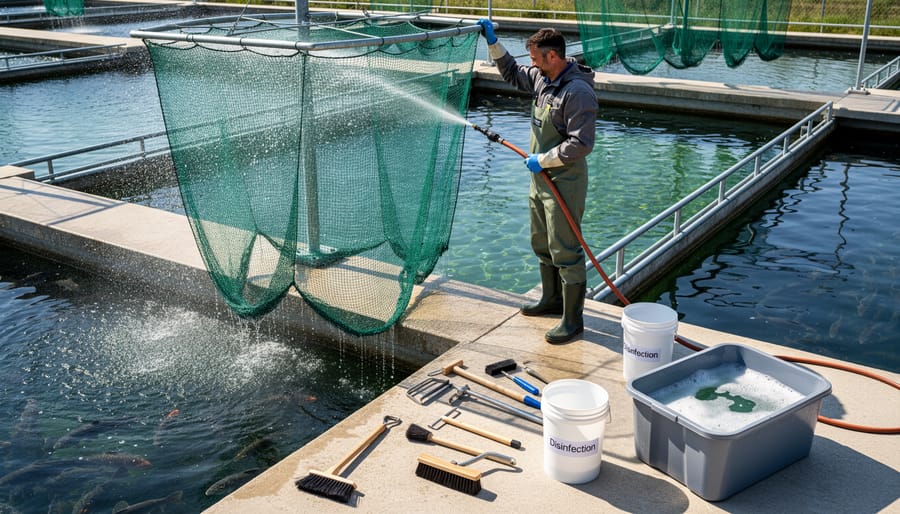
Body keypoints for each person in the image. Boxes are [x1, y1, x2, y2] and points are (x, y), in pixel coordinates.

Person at [477, 20, 598, 344]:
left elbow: (581, 143)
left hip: (564, 181)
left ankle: (573, 321)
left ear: (553, 56)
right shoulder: (542, 78)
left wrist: (542, 160)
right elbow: (512, 72)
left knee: (566, 249)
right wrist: (493, 42)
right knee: (541, 242)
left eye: (535, 58)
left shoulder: (577, 92)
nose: (531, 64)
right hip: (540, 179)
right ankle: (551, 299)